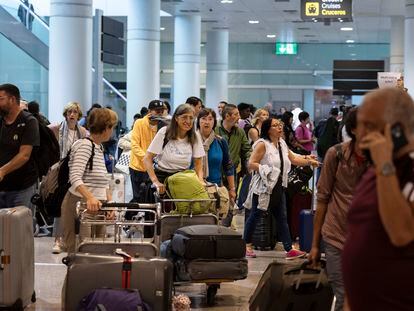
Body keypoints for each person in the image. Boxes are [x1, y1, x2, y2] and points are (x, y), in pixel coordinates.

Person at [342, 88, 414, 310]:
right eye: (360, 125)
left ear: (398, 131)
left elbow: (402, 232)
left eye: (370, 126)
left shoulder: (401, 170)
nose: (361, 135)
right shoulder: (374, 170)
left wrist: (385, 163)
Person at [308, 108, 367, 311]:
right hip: (336, 238)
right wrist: (315, 245)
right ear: (354, 130)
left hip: (368, 242)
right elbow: (322, 199)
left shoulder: (382, 160)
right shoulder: (337, 155)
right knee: (343, 296)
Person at [243, 118, 319, 259]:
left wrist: (309, 160)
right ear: (268, 129)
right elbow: (251, 164)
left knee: (282, 218)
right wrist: (266, 169)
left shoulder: (282, 143)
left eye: (280, 125)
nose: (279, 127)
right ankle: (246, 245)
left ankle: (289, 248)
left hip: (279, 186)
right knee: (256, 215)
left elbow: (294, 159)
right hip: (264, 186)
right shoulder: (262, 144)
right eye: (276, 126)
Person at [60, 108, 118, 253]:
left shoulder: (98, 147)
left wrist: (109, 203)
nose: (112, 131)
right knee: (80, 252)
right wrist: (90, 197)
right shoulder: (84, 145)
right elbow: (74, 176)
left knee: (96, 252)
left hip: (97, 205)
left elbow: (103, 181)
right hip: (80, 204)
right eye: (112, 127)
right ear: (105, 128)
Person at [48, 101, 87, 254]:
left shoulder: (82, 132)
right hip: (60, 173)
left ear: (78, 115)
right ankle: (57, 240)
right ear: (65, 114)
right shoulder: (56, 129)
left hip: (76, 172)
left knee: (74, 206)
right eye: (69, 112)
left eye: (75, 112)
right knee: (60, 205)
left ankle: (71, 239)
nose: (71, 115)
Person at [143, 104, 205, 194]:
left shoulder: (195, 137)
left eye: (191, 118)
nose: (188, 121)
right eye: (184, 117)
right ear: (176, 118)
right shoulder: (164, 132)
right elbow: (147, 159)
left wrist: (200, 180)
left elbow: (198, 164)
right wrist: (155, 181)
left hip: (183, 178)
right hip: (162, 177)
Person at [0, 84, 39, 209]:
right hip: (2, 186)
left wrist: (2, 170)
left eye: (1, 99)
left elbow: (24, 155)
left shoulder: (29, 121)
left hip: (22, 187)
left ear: (12, 99)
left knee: (20, 226)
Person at [129, 100, 167, 202]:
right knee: (138, 197)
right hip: (138, 167)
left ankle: (149, 217)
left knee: (151, 197)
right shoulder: (139, 123)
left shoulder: (163, 126)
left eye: (161, 111)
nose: (159, 113)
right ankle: (130, 215)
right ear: (150, 111)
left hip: (154, 169)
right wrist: (147, 159)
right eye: (157, 111)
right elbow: (135, 145)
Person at [197, 108, 236, 202]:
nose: (207, 122)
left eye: (210, 119)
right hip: (194, 187)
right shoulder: (191, 141)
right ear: (198, 121)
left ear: (214, 122)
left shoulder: (220, 141)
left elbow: (228, 166)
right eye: (203, 119)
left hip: (215, 187)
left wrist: (232, 189)